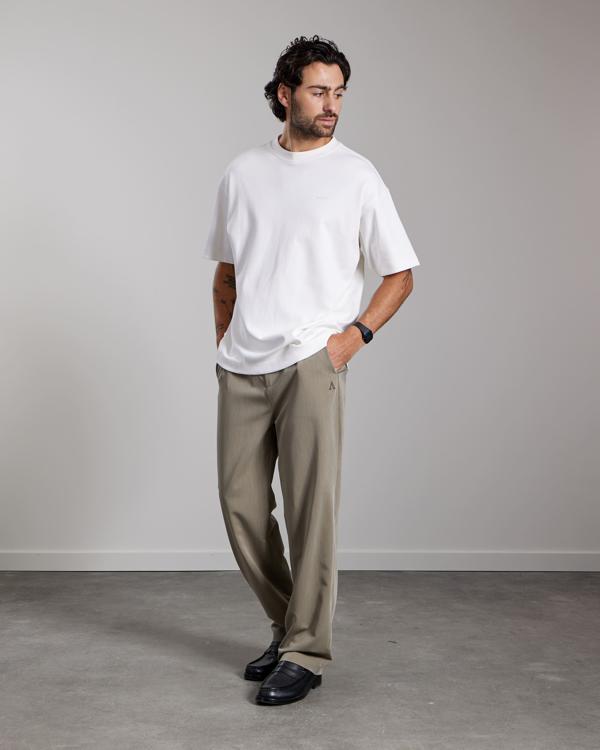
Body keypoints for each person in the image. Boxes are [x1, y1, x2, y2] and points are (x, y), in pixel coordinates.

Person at [202, 35, 420, 706]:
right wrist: (225, 343)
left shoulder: (357, 175)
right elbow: (227, 271)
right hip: (243, 365)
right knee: (240, 505)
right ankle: (289, 624)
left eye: (339, 93)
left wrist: (351, 339)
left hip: (311, 362)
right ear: (285, 94)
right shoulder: (243, 172)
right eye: (319, 91)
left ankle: (305, 651)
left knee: (310, 513)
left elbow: (400, 274)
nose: (332, 105)